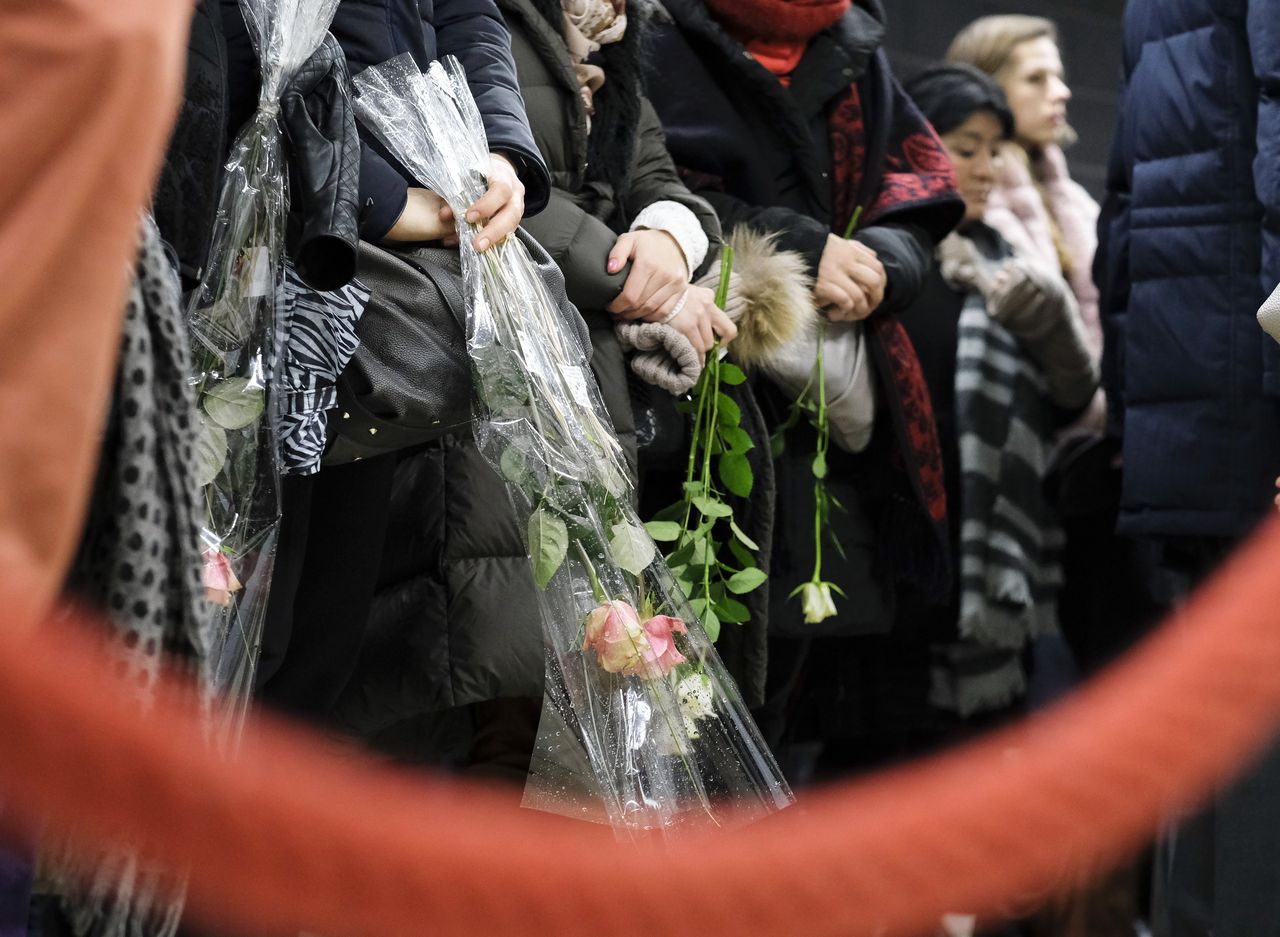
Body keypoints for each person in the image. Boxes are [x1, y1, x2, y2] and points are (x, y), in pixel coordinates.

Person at [329, 0, 812, 767]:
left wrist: (668, 234)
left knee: (555, 711)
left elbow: (653, 172)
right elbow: (466, 184)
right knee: (473, 694)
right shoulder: (493, 18)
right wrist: (632, 274)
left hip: (579, 390)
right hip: (487, 386)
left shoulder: (614, 34)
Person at [644, 0, 964, 778]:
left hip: (832, 439)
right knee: (665, 714)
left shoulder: (858, 51)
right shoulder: (656, 39)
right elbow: (635, 187)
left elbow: (919, 197)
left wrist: (883, 262)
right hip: (685, 415)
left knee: (778, 726)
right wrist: (803, 247)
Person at [228, 0, 554, 722]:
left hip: (379, 295)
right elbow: (242, 40)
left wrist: (499, 153)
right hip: (267, 257)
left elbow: (467, 14)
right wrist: (377, 199)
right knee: (237, 627)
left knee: (319, 645)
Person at [1096, 1, 1280, 934]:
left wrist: (1139, 417)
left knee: (1213, 784)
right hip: (1259, 400)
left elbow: (1121, 220)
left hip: (1195, 415)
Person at [897, 64, 1097, 722]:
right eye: (965, 148)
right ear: (919, 144)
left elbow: (1066, 405)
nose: (984, 168)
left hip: (992, 558)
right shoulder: (891, 258)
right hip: (901, 565)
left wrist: (1057, 329)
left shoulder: (1008, 263)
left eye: (994, 150)